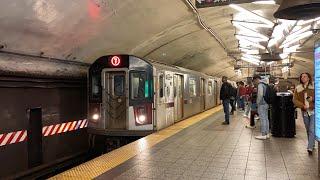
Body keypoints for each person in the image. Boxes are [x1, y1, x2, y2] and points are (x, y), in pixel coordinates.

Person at [293, 73, 315, 155]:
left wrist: (312, 99)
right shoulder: (298, 88)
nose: (303, 78)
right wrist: (302, 106)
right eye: (301, 76)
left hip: (313, 110)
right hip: (304, 111)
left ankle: (310, 147)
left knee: (312, 129)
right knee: (308, 128)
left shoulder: (314, 87)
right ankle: (312, 143)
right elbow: (294, 100)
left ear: (309, 78)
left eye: (305, 76)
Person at [253, 75, 270, 140]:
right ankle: (267, 134)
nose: (254, 83)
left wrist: (257, 103)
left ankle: (263, 134)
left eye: (254, 81)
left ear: (256, 79)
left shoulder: (260, 85)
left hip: (262, 104)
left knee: (263, 119)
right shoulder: (265, 84)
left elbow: (260, 94)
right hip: (266, 103)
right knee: (266, 119)